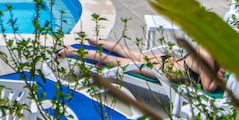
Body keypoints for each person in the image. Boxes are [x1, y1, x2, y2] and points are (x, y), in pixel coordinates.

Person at [61, 39, 225, 94]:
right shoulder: (207, 57)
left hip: (168, 62)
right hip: (164, 72)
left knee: (128, 52)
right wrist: (220, 80)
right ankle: (73, 52)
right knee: (114, 62)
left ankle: (97, 42)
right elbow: (208, 87)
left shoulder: (208, 49)